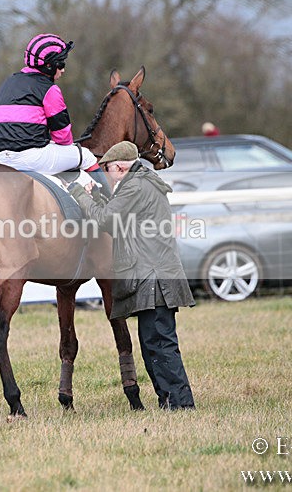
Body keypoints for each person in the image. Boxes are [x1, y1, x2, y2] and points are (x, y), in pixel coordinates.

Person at [67, 141, 196, 410]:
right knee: (154, 344)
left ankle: (181, 405)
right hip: (156, 275)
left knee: (160, 344)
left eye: (108, 169)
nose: (108, 175)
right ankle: (170, 401)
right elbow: (120, 219)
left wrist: (79, 193)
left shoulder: (135, 185)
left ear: (119, 166)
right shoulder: (140, 183)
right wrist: (99, 199)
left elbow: (104, 220)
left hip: (154, 278)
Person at [0, 33, 103, 176]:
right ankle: (110, 198)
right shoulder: (49, 89)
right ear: (49, 66)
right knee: (85, 156)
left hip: (0, 159)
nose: (63, 70)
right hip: (32, 158)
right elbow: (63, 137)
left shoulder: (6, 83)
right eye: (61, 64)